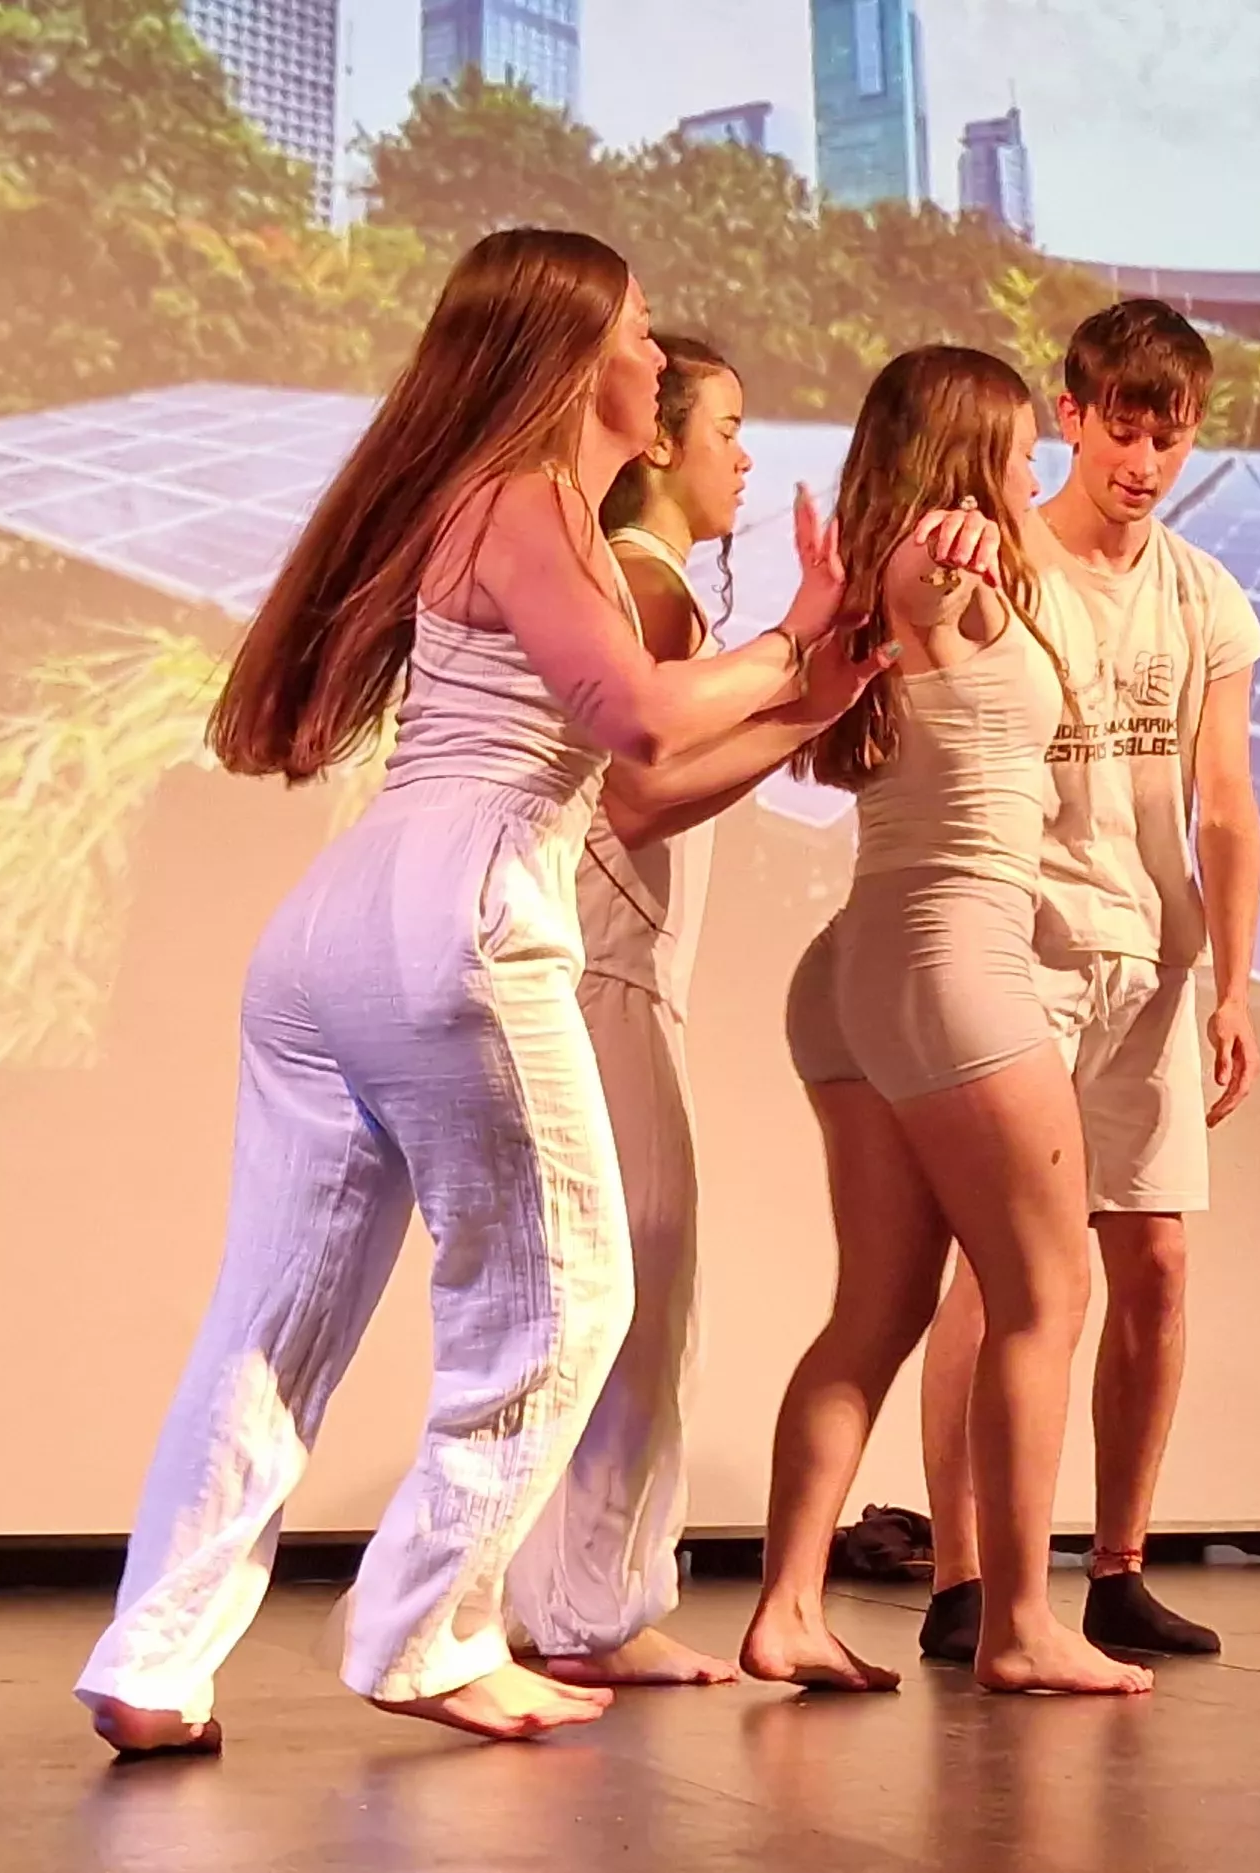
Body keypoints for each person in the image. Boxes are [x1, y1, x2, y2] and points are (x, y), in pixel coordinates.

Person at [71, 231, 881, 1754]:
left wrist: (808, 687)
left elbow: (626, 762)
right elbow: (629, 715)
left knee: (274, 1318)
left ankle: (155, 1655)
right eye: (642, 333)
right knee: (568, 1290)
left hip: (345, 926)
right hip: (462, 913)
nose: (659, 357)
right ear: (582, 358)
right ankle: (430, 1629)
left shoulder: (491, 500)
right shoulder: (528, 497)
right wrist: (791, 639)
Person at [741, 345, 1154, 1698]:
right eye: (1019, 444)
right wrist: (941, 551)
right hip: (950, 963)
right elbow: (932, 585)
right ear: (971, 450)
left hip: (863, 966)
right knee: (1047, 1291)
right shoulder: (938, 570)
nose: (1038, 464)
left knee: (878, 1305)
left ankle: (792, 1606)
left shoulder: (883, 576)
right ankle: (1024, 1620)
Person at [915, 299, 1260, 1664]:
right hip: (1025, 949)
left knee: (1159, 1260)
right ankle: (962, 1576)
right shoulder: (1005, 559)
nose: (1142, 455)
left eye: (1167, 432)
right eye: (1120, 424)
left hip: (1154, 961)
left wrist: (1235, 983)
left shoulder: (1201, 594)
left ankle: (1117, 1563)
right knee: (1008, 1266)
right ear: (1070, 415)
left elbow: (1225, 802)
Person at [503, 336, 828, 1690]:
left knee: (596, 1288)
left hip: (608, 971)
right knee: (635, 1288)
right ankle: (588, 1610)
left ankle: (563, 1601)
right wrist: (804, 695)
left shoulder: (639, 588)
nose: (744, 455)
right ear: (656, 443)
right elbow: (633, 798)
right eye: (728, 429)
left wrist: (802, 705)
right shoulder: (656, 596)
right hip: (607, 972)